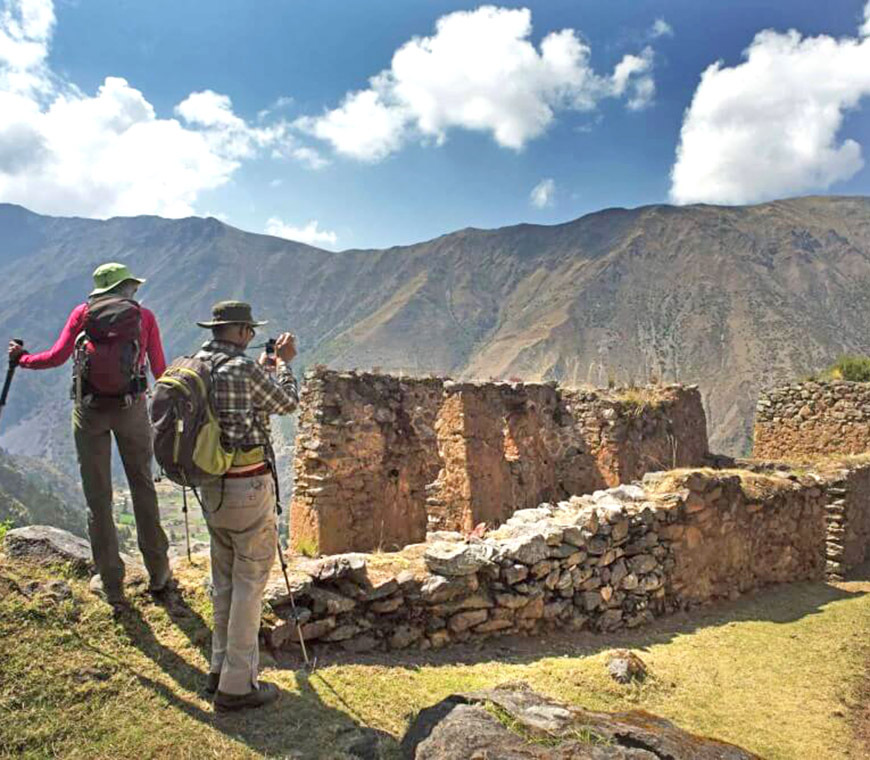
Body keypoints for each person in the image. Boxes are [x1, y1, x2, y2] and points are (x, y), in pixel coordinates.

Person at [7, 262, 171, 605]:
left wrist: (22, 359)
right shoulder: (145, 318)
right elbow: (159, 369)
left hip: (90, 411)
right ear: (125, 287)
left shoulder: (82, 314)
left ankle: (111, 584)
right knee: (143, 487)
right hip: (132, 410)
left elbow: (55, 358)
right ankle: (158, 573)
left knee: (99, 499)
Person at [194, 301, 298, 712]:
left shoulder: (197, 364)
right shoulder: (244, 368)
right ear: (238, 332)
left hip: (211, 486)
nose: (252, 337)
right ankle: (238, 687)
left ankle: (218, 669)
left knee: (224, 581)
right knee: (249, 585)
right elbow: (286, 404)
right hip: (248, 485)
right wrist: (285, 364)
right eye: (249, 331)